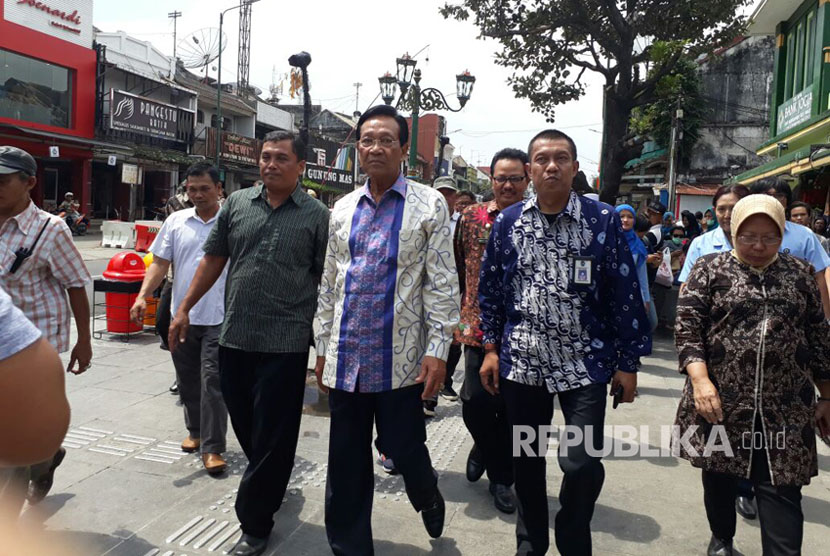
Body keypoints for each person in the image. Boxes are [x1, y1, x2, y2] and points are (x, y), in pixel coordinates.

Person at [478, 129, 651, 555]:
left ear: (576, 168)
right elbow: (492, 290)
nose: (551, 166)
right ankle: (530, 542)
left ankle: (573, 536)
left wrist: (628, 363)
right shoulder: (508, 222)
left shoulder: (603, 220)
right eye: (542, 159)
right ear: (530, 170)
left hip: (585, 361)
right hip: (523, 359)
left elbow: (624, 292)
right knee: (528, 461)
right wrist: (491, 349)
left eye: (561, 158)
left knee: (583, 463)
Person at [169, 131, 329, 556]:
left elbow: (327, 281)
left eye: (280, 158)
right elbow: (213, 258)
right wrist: (183, 307)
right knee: (247, 424)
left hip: (287, 340)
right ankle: (270, 478)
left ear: (300, 167)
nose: (270, 164)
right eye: (265, 157)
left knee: (275, 433)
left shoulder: (316, 215)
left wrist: (324, 344)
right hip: (234, 333)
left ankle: (254, 522)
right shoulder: (238, 204)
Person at [313, 104, 459, 555]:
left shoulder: (428, 203)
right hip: (347, 354)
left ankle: (427, 493)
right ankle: (350, 547)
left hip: (402, 356)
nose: (375, 148)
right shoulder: (340, 209)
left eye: (385, 140)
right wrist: (321, 345)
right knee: (347, 463)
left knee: (405, 447)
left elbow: (442, 283)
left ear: (402, 149)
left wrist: (438, 348)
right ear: (358, 147)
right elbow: (330, 283)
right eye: (367, 140)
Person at [674, 194, 830, 556]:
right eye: (748, 237)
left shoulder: (800, 272)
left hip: (786, 407)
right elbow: (687, 329)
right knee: (719, 476)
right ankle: (722, 538)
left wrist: (826, 394)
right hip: (720, 401)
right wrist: (700, 381)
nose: (758, 246)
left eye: (769, 237)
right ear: (734, 231)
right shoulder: (709, 269)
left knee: (783, 490)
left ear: (783, 234)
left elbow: (819, 335)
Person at [0, 145, 92, 512]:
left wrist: (84, 341)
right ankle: (48, 455)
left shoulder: (51, 230)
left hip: (37, 345)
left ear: (30, 184)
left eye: (3, 180)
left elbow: (76, 283)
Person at [130, 162, 229, 475]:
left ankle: (213, 447)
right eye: (192, 189)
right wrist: (142, 295)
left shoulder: (231, 220)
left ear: (219, 189)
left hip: (221, 315)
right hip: (182, 317)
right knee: (187, 379)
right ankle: (196, 432)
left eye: (204, 189)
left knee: (213, 381)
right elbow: (159, 263)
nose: (197, 195)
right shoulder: (176, 221)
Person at [455, 148, 530, 515]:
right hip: (477, 327)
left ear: (527, 180)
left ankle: (502, 479)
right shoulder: (470, 217)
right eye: (501, 178)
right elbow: (458, 264)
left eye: (516, 178)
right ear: (491, 180)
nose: (508, 185)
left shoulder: (536, 220)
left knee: (512, 411)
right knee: (476, 405)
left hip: (524, 330)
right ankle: (484, 445)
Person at [0, 285, 69, 468]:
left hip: (31, 336)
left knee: (13, 471)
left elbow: (76, 283)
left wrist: (84, 340)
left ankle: (42, 467)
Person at [617, 204, 656, 331]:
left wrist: (645, 299)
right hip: (611, 294)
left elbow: (641, 275)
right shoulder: (607, 240)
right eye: (621, 216)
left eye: (629, 217)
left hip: (631, 294)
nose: (625, 220)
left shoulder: (638, 245)